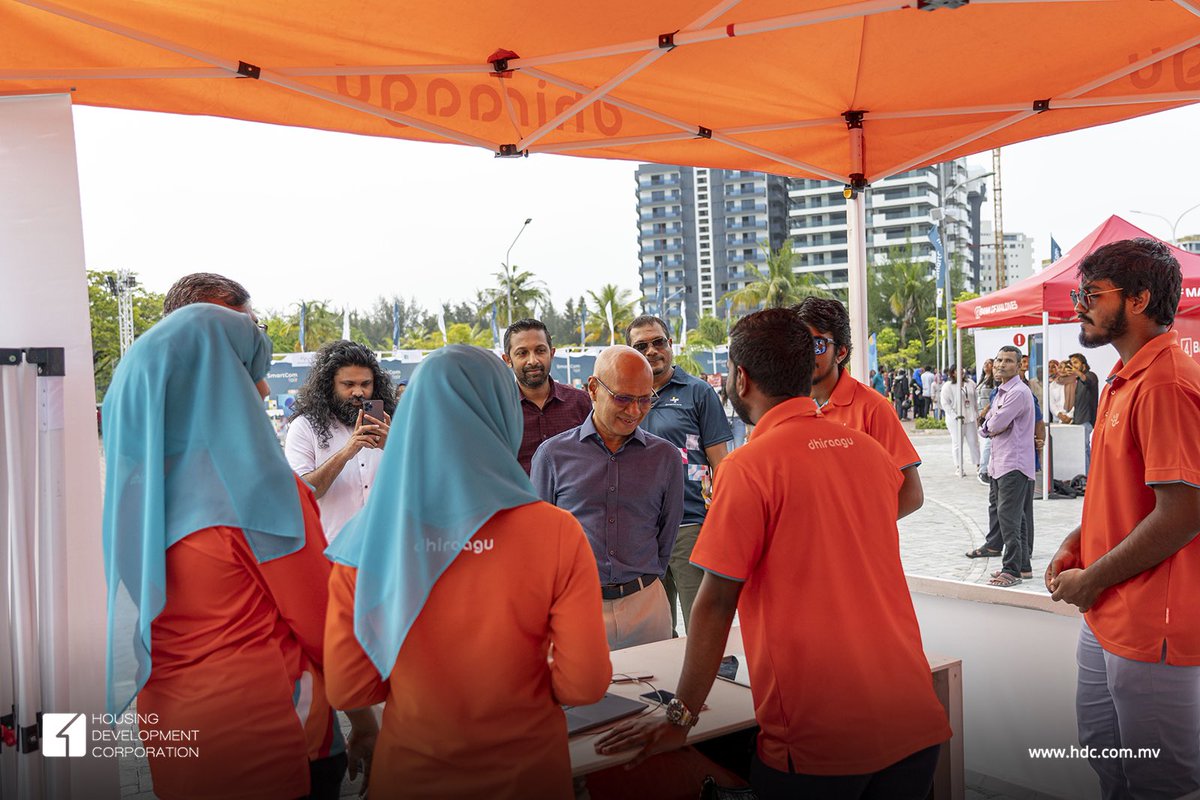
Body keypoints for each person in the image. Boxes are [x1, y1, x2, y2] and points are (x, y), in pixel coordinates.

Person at [594, 309, 950, 799]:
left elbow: (716, 603)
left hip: (819, 737)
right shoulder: (868, 452)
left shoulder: (749, 468)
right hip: (912, 718)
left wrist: (680, 715)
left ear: (741, 378)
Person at [102, 303, 375, 800]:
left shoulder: (136, 491)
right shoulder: (258, 489)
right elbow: (320, 624)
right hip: (266, 729)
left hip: (170, 725)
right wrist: (367, 719)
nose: (265, 389)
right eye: (248, 374)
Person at [324, 346, 611, 799]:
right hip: (530, 774)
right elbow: (586, 683)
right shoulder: (556, 532)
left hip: (410, 775)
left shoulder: (366, 539)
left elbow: (348, 687)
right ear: (502, 413)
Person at [1046, 239, 1200, 800]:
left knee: (1159, 785)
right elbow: (1125, 497)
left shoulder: (1165, 382)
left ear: (1137, 299)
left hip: (1150, 625)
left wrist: (1093, 576)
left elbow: (1184, 513)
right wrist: (1077, 541)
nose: (1077, 305)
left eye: (1089, 294)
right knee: (1106, 759)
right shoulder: (1122, 378)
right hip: (1108, 610)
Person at [532, 345, 684, 650]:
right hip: (576, 608)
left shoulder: (665, 458)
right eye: (623, 398)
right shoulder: (553, 455)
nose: (634, 411)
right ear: (593, 388)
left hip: (646, 608)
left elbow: (666, 536)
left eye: (645, 400)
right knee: (580, 698)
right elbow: (538, 541)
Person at [624, 315, 732, 633]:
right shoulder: (623, 399)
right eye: (641, 346)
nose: (652, 350)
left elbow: (721, 464)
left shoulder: (698, 393)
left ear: (670, 344)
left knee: (705, 624)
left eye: (658, 342)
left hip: (689, 527)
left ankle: (718, 679)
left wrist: (721, 522)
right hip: (642, 533)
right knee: (656, 629)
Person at [795, 297, 924, 518]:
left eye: (816, 345)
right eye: (798, 344)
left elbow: (911, 494)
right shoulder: (789, 406)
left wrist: (860, 529)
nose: (805, 354)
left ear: (841, 352)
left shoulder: (872, 407)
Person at [284, 340, 395, 543]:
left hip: (387, 550)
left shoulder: (393, 423)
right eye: (348, 385)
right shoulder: (304, 427)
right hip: (333, 553)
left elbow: (424, 482)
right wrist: (347, 452)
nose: (358, 392)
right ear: (329, 385)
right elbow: (301, 493)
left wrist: (394, 447)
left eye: (365, 384)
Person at [970, 346, 1036, 585]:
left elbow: (994, 424)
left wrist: (988, 425)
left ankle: (1012, 570)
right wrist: (989, 425)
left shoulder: (1018, 392)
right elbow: (989, 423)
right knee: (1015, 518)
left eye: (1008, 361)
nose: (1000, 364)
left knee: (1008, 518)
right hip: (1000, 464)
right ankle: (1024, 567)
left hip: (1013, 464)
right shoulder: (1001, 392)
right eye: (998, 360)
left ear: (1018, 366)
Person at [501, 318, 592, 474]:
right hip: (522, 498)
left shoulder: (580, 402)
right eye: (522, 353)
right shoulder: (499, 410)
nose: (533, 360)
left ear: (552, 353)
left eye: (540, 350)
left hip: (573, 498)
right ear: (508, 360)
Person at [1064, 352, 1099, 474]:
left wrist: (1075, 372)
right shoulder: (1077, 380)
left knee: (1084, 449)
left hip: (1087, 419)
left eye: (1075, 363)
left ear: (1083, 364)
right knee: (1083, 449)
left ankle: (1089, 476)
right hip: (1078, 419)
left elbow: (1087, 381)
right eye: (1071, 363)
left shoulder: (1091, 376)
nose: (1072, 366)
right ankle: (1088, 475)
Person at [940, 367, 980, 474]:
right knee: (957, 443)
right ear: (953, 372)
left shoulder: (970, 383)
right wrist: (955, 415)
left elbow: (976, 399)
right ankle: (959, 467)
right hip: (955, 420)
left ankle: (978, 465)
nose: (961, 372)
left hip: (970, 417)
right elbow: (945, 403)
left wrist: (977, 414)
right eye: (958, 370)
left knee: (974, 442)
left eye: (962, 369)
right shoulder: (948, 386)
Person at [976, 358, 996, 484]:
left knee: (988, 443)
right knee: (984, 443)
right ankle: (983, 468)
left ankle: (983, 470)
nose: (986, 365)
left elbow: (995, 398)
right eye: (985, 363)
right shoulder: (982, 380)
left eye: (989, 363)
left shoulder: (994, 381)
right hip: (980, 414)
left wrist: (986, 410)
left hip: (988, 414)